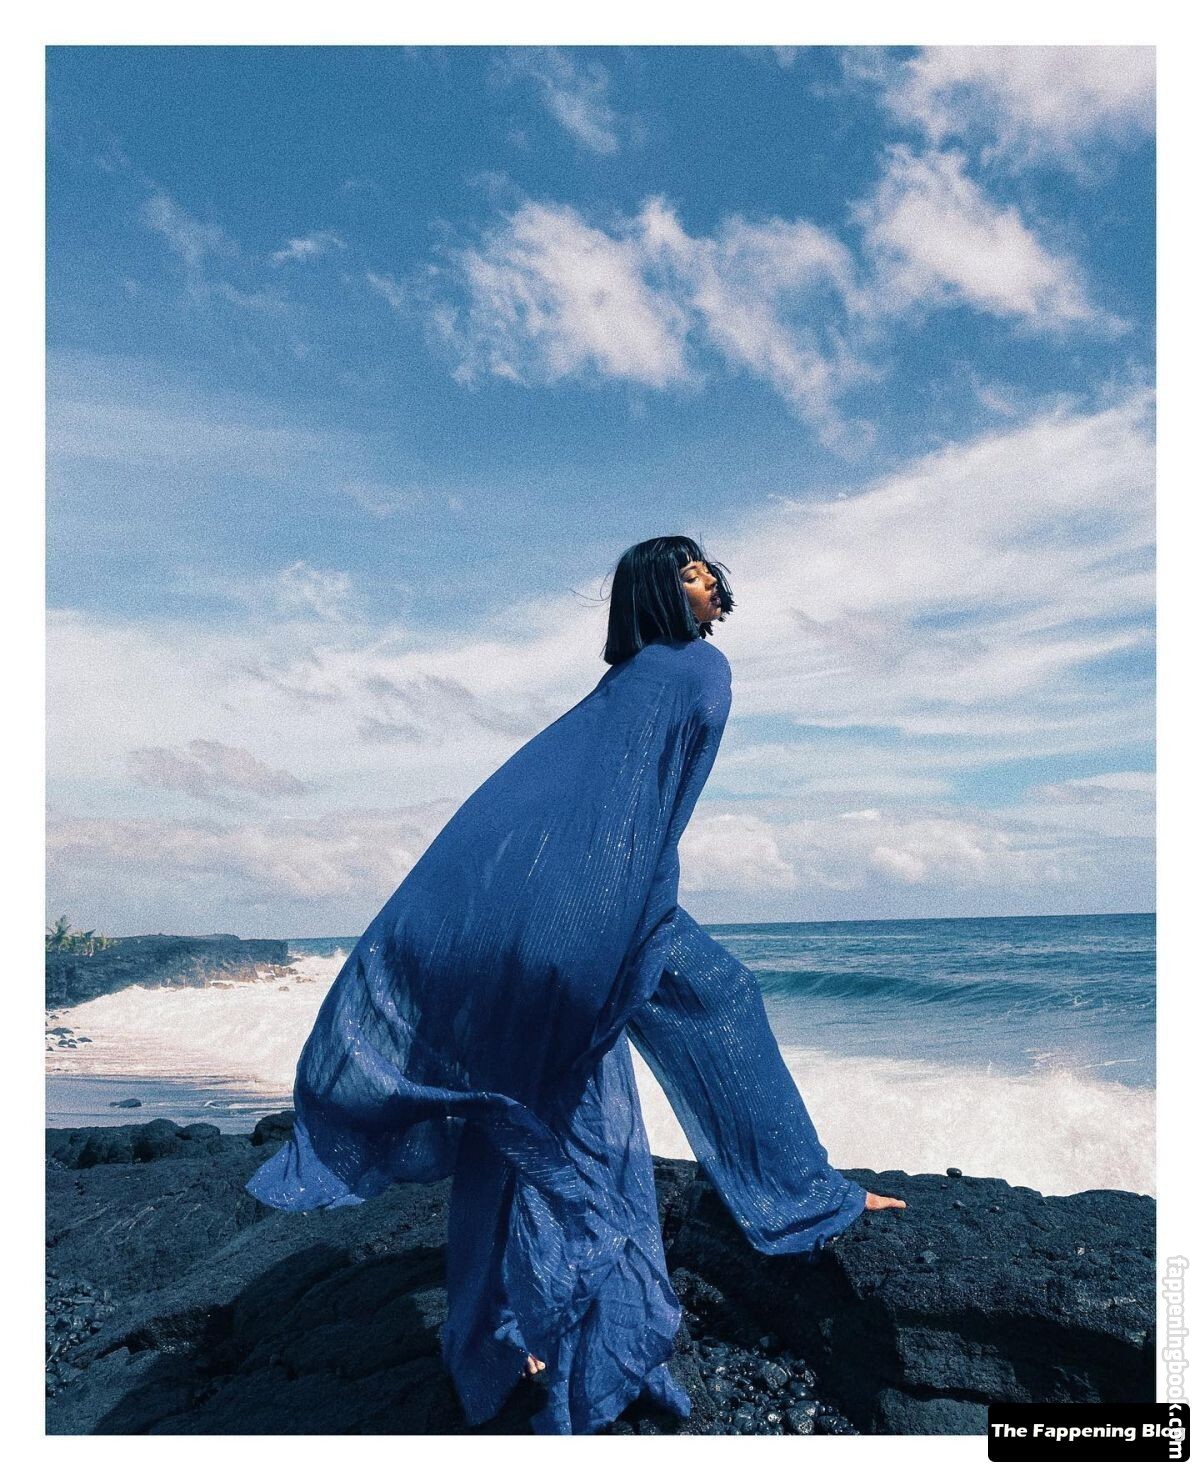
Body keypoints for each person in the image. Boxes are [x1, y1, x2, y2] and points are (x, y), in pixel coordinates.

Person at [245, 534, 904, 1435]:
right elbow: (648, 813)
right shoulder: (696, 671)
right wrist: (630, 922)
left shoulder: (626, 682)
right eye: (688, 574)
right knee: (668, 1040)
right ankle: (779, 1210)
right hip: (596, 906)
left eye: (706, 568)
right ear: (657, 596)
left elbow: (558, 800)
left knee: (530, 1108)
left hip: (556, 908)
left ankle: (506, 1335)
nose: (709, 581)